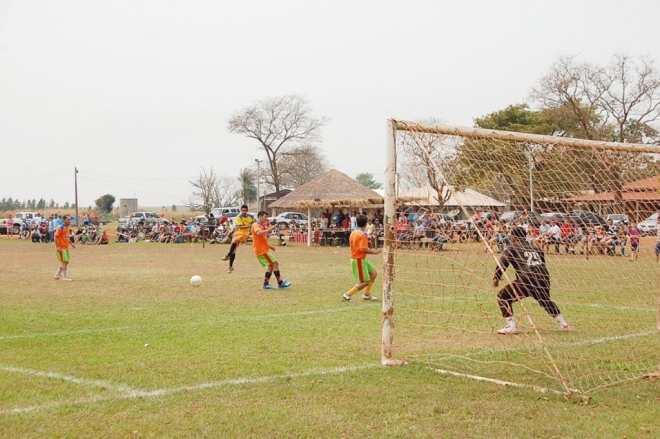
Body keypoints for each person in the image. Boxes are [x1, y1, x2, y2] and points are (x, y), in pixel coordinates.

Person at [492, 226, 569, 335]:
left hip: (527, 279)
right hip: (543, 279)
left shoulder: (511, 247)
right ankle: (564, 324)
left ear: (513, 237)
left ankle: (511, 327)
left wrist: (496, 278)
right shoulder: (536, 248)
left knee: (502, 297)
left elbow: (502, 264)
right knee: (545, 301)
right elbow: (542, 265)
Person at [342, 214, 382, 302]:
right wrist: (375, 251)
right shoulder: (362, 235)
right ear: (366, 224)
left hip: (361, 258)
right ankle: (347, 294)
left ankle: (367, 294)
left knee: (373, 273)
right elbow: (363, 249)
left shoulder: (353, 232)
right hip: (358, 259)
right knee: (365, 281)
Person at [251, 211, 292, 290]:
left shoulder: (260, 225)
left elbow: (261, 239)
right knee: (275, 264)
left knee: (271, 266)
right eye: (265, 217)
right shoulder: (255, 225)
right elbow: (259, 233)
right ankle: (280, 283)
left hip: (264, 249)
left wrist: (269, 246)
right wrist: (269, 229)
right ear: (259, 216)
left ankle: (266, 284)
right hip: (261, 250)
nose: (266, 219)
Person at [221, 205, 255, 273]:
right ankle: (230, 267)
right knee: (233, 250)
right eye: (243, 210)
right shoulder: (239, 217)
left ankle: (228, 255)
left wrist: (252, 230)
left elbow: (253, 224)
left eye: (245, 210)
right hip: (237, 233)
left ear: (247, 210)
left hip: (244, 235)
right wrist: (249, 225)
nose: (244, 212)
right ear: (241, 210)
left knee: (235, 242)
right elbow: (241, 227)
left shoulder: (251, 217)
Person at [54, 214, 76, 281]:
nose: (69, 221)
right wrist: (58, 246)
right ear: (64, 220)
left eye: (70, 219)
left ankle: (57, 275)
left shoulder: (67, 228)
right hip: (61, 247)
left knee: (66, 262)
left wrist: (71, 244)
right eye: (68, 219)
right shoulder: (60, 227)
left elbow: (67, 237)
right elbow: (55, 236)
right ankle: (66, 277)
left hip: (66, 247)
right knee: (64, 261)